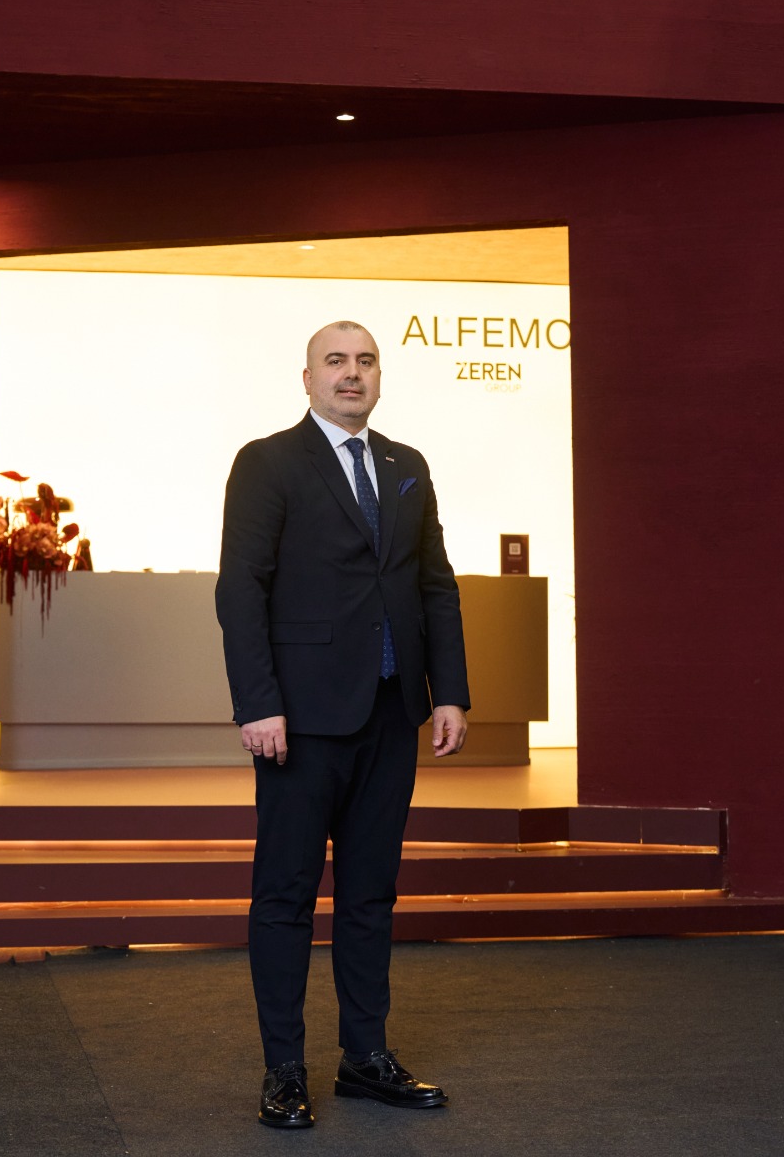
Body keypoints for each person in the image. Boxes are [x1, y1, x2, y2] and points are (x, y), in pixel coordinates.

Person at [216, 319, 470, 1129]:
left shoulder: (406, 465)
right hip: (301, 720)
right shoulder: (267, 462)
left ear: (379, 376)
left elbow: (435, 585)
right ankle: (284, 1071)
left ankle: (365, 1058)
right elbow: (240, 588)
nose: (351, 373)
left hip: (392, 714)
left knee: (370, 896)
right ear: (308, 379)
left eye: (365, 361)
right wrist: (258, 701)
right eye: (336, 361)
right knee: (286, 896)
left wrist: (449, 692)